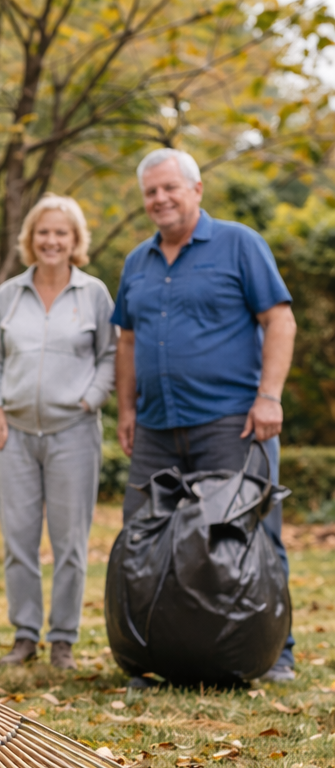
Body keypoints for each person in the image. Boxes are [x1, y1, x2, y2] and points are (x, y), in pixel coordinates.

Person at [113, 147, 297, 684]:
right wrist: (126, 409)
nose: (160, 199)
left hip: (232, 424)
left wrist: (270, 396)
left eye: (170, 188)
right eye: (151, 192)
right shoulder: (136, 262)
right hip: (156, 428)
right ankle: (150, 655)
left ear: (196, 190)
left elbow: (279, 320)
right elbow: (127, 341)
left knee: (249, 535)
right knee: (144, 539)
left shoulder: (240, 244)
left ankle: (274, 653)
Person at [0, 196, 117, 671]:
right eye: (43, 232)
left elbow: (111, 356)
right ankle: (24, 636)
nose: (52, 241)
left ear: (76, 241)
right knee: (18, 541)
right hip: (13, 435)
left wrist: (90, 400)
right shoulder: (9, 295)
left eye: (61, 233)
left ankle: (62, 640)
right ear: (30, 239)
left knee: (70, 545)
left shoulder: (94, 294)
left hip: (74, 433)